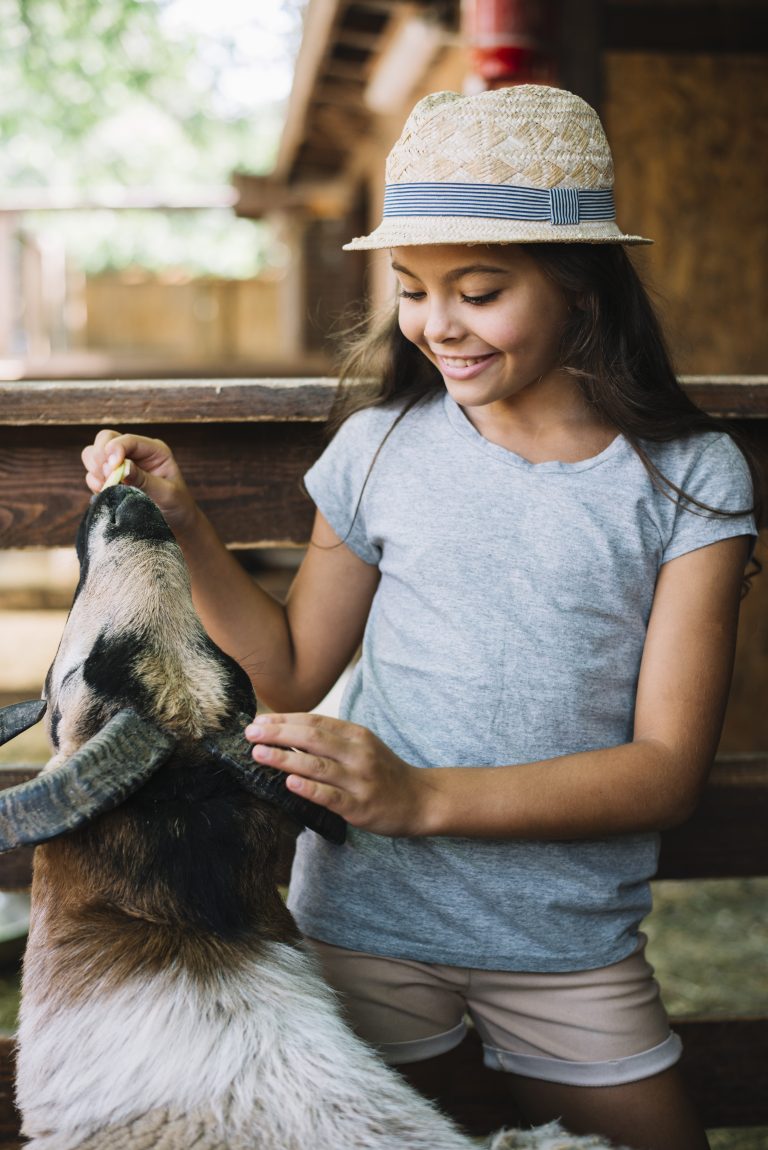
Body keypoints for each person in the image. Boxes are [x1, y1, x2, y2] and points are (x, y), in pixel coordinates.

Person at [82, 86, 758, 1150]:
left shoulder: (688, 478)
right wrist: (183, 522)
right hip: (363, 923)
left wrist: (420, 794)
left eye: (480, 290)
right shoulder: (383, 447)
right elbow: (294, 669)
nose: (438, 322)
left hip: (569, 940)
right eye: (412, 289)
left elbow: (668, 767)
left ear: (579, 289)